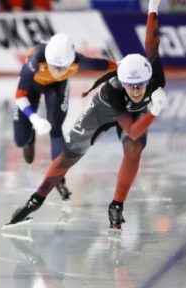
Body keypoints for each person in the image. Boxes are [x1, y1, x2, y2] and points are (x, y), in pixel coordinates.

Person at [5, 0, 166, 234]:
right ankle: (36, 199)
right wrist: (154, 111)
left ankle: (116, 205)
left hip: (133, 112)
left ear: (148, 80)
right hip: (104, 109)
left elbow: (152, 42)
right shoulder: (113, 91)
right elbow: (131, 129)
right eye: (130, 85)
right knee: (69, 155)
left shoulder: (155, 80)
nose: (137, 90)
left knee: (133, 150)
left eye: (140, 85)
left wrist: (153, 7)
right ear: (122, 82)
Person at [13, 32, 117, 200]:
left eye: (62, 68)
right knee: (20, 139)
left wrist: (125, 65)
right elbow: (19, 95)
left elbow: (108, 65)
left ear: (70, 63)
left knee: (56, 128)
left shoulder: (80, 61)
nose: (56, 71)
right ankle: (29, 137)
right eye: (53, 66)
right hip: (31, 89)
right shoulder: (35, 60)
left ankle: (59, 179)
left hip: (57, 88)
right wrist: (34, 118)